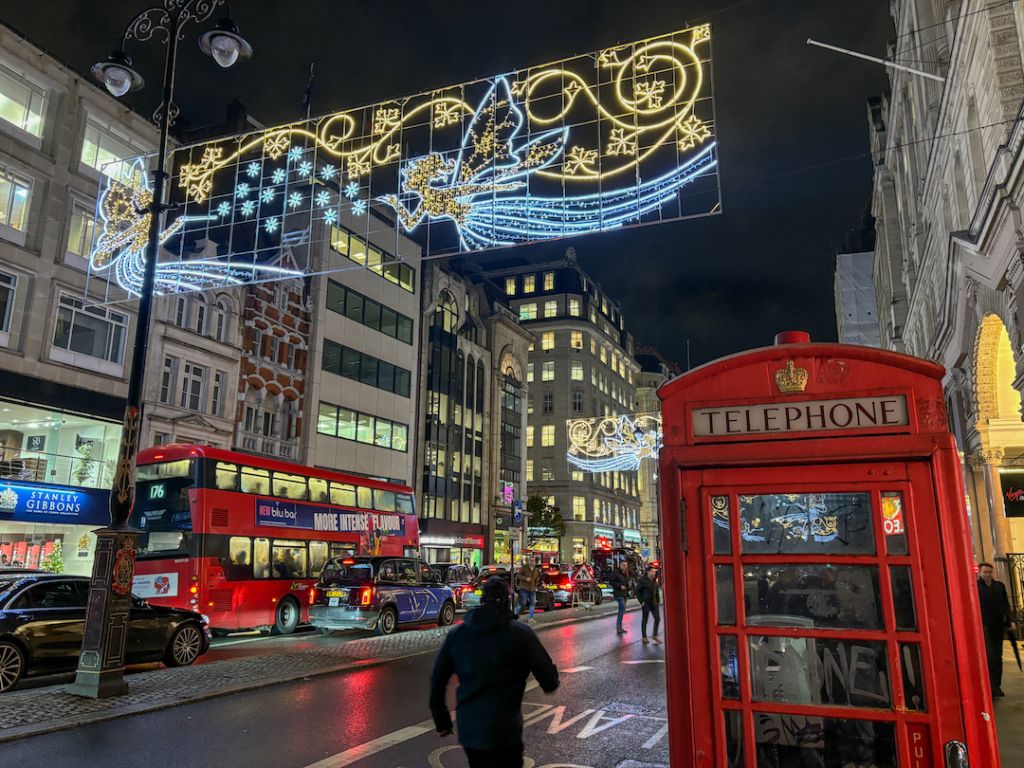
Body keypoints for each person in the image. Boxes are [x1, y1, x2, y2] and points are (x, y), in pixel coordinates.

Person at [429, 576, 559, 767]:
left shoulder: (458, 635)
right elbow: (549, 681)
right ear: (507, 600)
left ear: (483, 600)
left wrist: (442, 721)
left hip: (470, 730)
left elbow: (438, 680)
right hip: (505, 730)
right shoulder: (521, 634)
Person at [978, 562, 1017, 697]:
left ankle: (997, 686)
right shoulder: (976, 588)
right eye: (985, 572)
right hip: (984, 626)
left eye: (990, 572)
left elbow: (1006, 605)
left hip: (998, 626)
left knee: (997, 656)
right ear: (980, 573)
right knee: (989, 657)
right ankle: (990, 685)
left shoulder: (999, 586)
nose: (988, 575)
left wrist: (1011, 620)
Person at [636, 565, 661, 644]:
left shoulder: (654, 580)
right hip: (646, 603)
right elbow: (637, 591)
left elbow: (656, 591)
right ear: (648, 572)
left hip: (654, 603)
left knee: (657, 618)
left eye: (655, 572)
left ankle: (655, 635)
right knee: (645, 620)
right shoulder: (642, 580)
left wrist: (658, 600)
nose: (654, 573)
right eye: (652, 571)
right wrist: (641, 601)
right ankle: (644, 637)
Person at [608, 559, 630, 635]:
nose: (625, 567)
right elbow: (611, 580)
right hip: (618, 594)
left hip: (624, 594)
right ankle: (618, 628)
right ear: (620, 565)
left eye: (626, 565)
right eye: (624, 565)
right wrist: (619, 586)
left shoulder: (625, 573)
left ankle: (620, 627)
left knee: (622, 610)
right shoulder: (616, 573)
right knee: (622, 608)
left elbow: (627, 583)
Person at [516, 557, 540, 622]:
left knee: (532, 604)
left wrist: (536, 586)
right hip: (524, 588)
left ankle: (530, 619)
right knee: (522, 603)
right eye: (531, 560)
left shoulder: (536, 570)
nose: (532, 562)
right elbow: (518, 575)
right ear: (528, 561)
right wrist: (525, 578)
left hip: (532, 589)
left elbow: (537, 579)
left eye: (533, 560)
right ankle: (514, 616)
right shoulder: (524, 568)